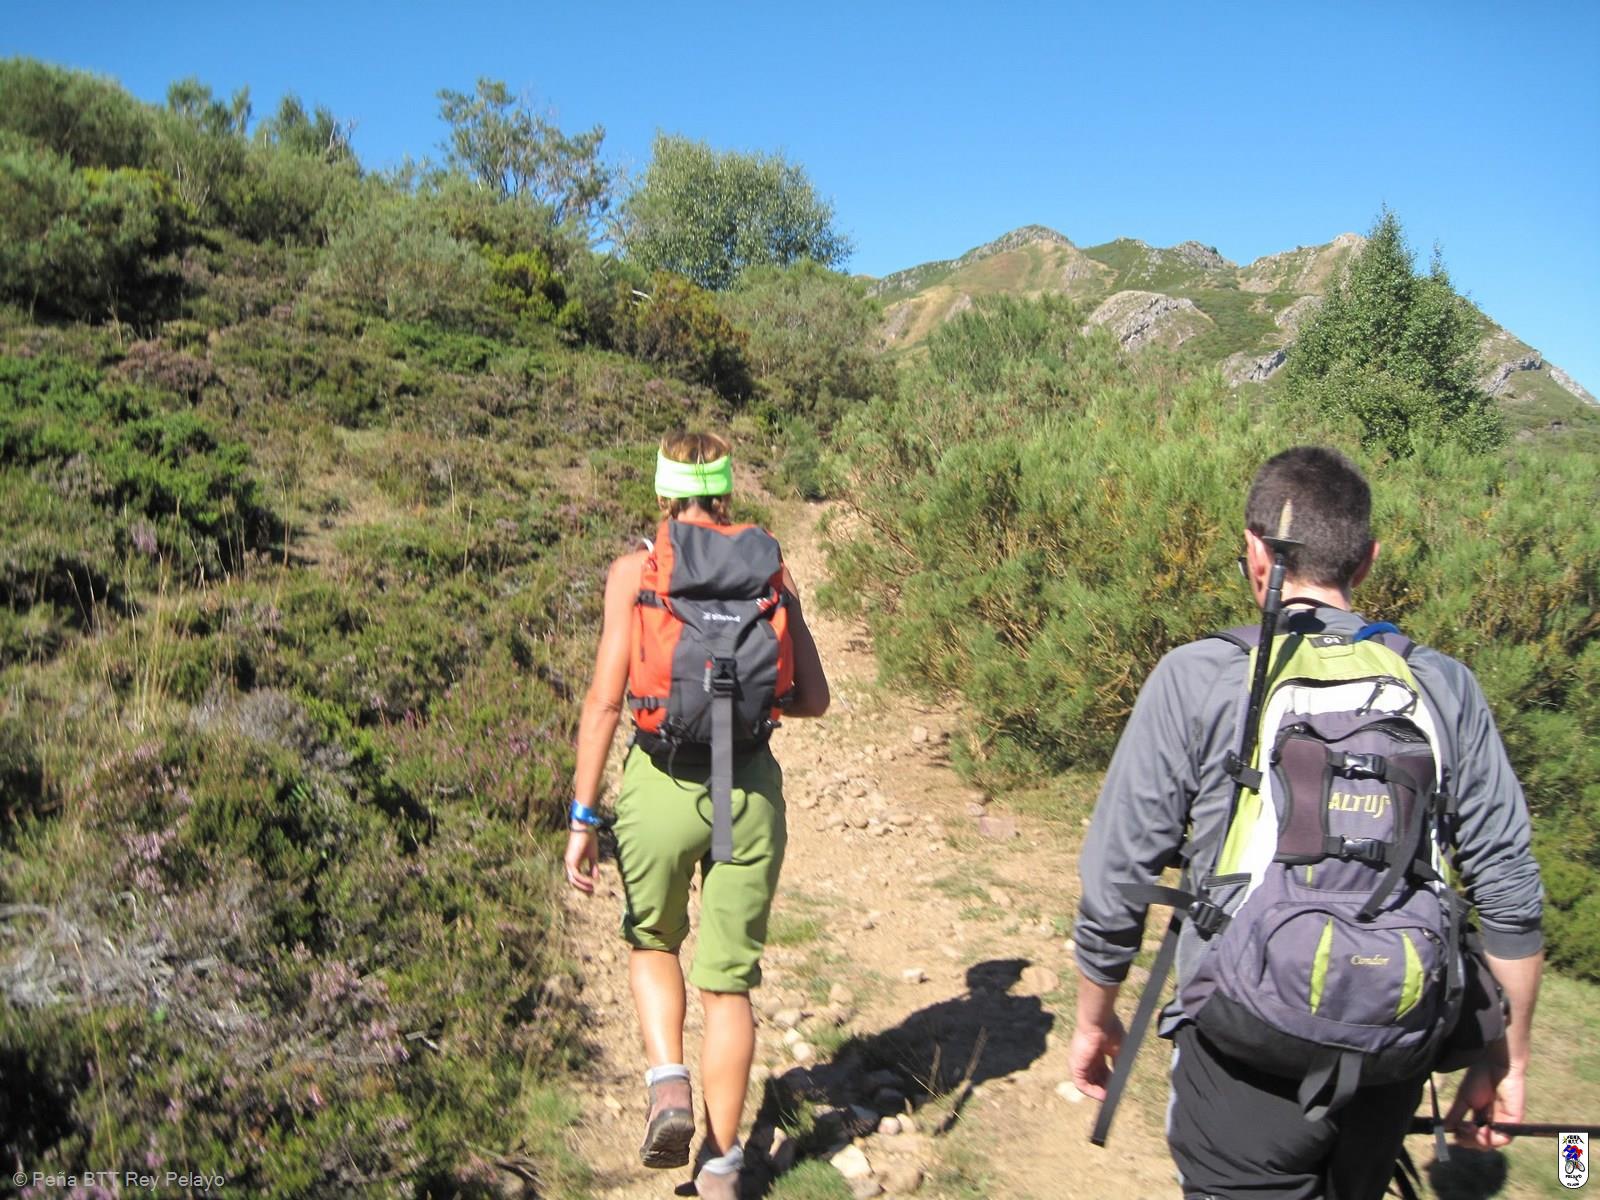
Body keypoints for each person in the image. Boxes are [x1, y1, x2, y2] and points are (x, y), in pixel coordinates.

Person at [1069, 446, 1544, 1200]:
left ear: (1256, 554)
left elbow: (1117, 874)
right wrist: (1504, 1060)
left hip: (1241, 1050)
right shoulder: (1445, 686)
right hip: (1393, 1040)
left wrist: (1095, 1016)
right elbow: (1510, 891)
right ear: (1368, 559)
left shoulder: (1198, 676)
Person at [565, 430, 829, 1199]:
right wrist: (744, 701)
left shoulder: (635, 573)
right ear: (726, 488)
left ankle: (669, 1083)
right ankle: (719, 1163)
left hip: (660, 785)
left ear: (663, 491)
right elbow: (813, 698)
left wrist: (584, 817)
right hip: (747, 792)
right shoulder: (770, 569)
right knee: (728, 983)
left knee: (653, 939)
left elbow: (605, 702)